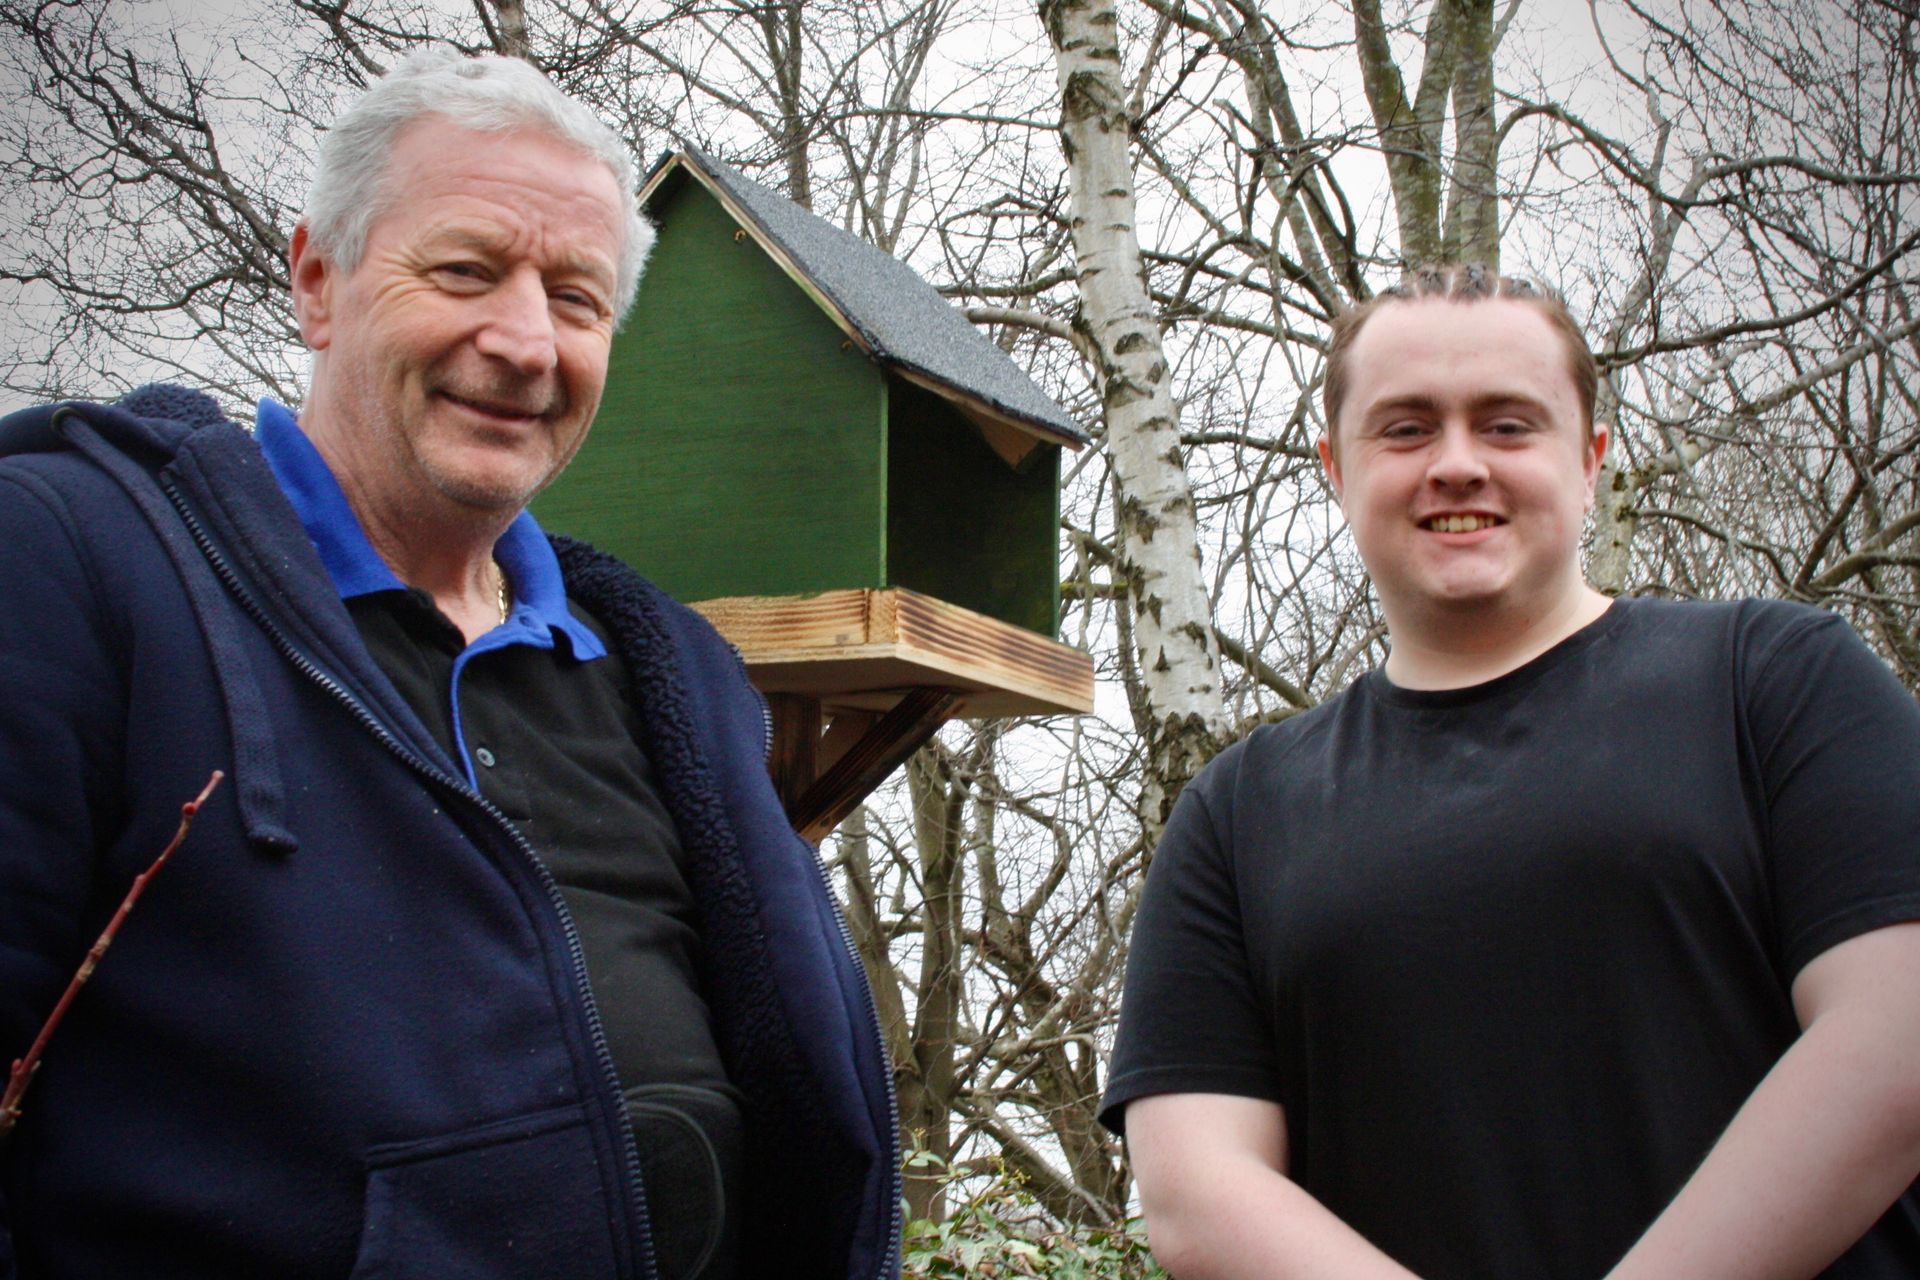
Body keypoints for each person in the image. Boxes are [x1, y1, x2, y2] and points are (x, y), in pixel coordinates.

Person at [0, 48, 898, 1280]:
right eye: (468, 270)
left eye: (576, 300)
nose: (526, 341)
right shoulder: (75, 566)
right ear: (318, 279)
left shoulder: (672, 676)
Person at [1103, 264, 1920, 1279]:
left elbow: (1899, 1032)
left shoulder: (1779, 678)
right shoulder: (1235, 813)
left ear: (1591, 460)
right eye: (1404, 428)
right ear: (1335, 467)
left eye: (1507, 424)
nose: (1455, 464)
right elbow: (1196, 1189)